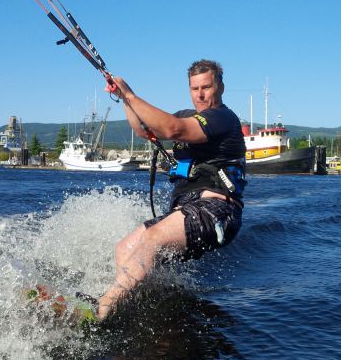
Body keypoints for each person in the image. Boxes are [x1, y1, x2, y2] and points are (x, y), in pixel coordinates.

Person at [96, 59, 246, 320]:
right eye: (194, 88)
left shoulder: (222, 118)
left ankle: (105, 306)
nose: (200, 94)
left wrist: (131, 94)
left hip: (217, 211)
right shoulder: (186, 114)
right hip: (188, 210)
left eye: (206, 87)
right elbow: (145, 130)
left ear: (220, 87)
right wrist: (124, 98)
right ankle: (127, 308)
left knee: (153, 238)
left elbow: (171, 129)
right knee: (124, 248)